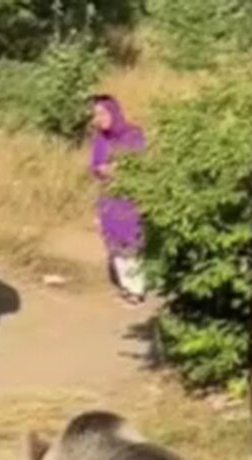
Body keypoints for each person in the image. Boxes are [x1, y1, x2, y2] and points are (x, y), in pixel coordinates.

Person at [88, 94, 147, 305]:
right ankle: (125, 287)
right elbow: (94, 164)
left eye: (103, 113)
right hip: (109, 197)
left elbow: (139, 162)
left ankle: (137, 290)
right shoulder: (100, 139)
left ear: (114, 113)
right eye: (96, 114)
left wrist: (118, 170)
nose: (99, 118)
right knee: (113, 243)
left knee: (130, 241)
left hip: (129, 196)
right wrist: (101, 170)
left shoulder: (133, 134)